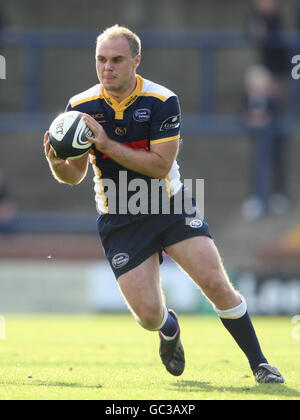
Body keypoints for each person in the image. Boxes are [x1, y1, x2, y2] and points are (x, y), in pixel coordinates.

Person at [44, 25, 284, 383]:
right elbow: (74, 176)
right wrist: (55, 161)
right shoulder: (80, 108)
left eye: (117, 59)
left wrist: (107, 145)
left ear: (136, 61)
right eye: (101, 60)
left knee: (216, 283)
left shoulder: (161, 100)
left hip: (168, 205)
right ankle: (169, 327)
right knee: (148, 317)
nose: (107, 67)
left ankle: (260, 364)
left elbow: (159, 167)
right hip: (120, 217)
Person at [241, 65, 289, 221]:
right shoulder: (246, 99)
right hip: (255, 141)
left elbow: (277, 117)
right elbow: (241, 115)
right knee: (258, 166)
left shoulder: (274, 100)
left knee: (275, 164)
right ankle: (256, 198)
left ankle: (277, 195)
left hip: (273, 141)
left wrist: (266, 120)